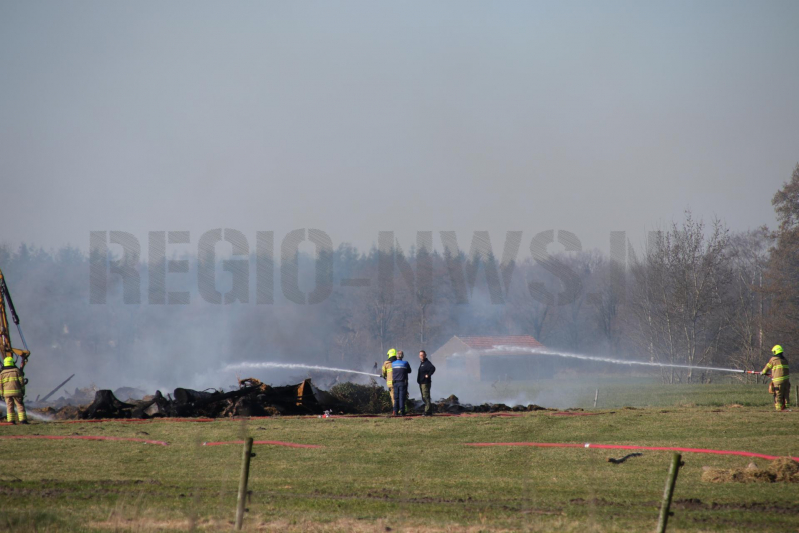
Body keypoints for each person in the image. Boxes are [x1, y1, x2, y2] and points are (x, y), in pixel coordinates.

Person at [761, 345, 790, 411]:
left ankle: (778, 408)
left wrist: (763, 372)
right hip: (786, 380)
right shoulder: (785, 360)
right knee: (786, 394)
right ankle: (786, 407)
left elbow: (767, 367)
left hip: (778, 381)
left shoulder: (774, 359)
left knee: (778, 394)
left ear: (775, 352)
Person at [1, 356, 28, 424]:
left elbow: (0, 385)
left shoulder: (2, 373)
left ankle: (11, 421)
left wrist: (2, 394)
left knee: (9, 406)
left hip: (6, 393)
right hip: (17, 392)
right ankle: (23, 421)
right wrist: (22, 391)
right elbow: (21, 382)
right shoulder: (17, 371)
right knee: (19, 405)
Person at [391, 351, 412, 416]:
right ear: (402, 356)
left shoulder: (393, 363)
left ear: (396, 356)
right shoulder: (405, 363)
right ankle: (402, 411)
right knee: (401, 397)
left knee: (396, 398)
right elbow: (409, 371)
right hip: (402, 382)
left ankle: (395, 411)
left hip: (395, 383)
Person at [417, 350, 436, 416]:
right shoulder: (422, 363)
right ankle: (429, 411)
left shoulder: (427, 363)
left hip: (425, 383)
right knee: (423, 397)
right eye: (420, 355)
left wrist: (428, 374)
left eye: (422, 355)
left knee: (426, 397)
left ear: (425, 355)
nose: (421, 356)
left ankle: (427, 411)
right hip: (421, 382)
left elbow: (433, 368)